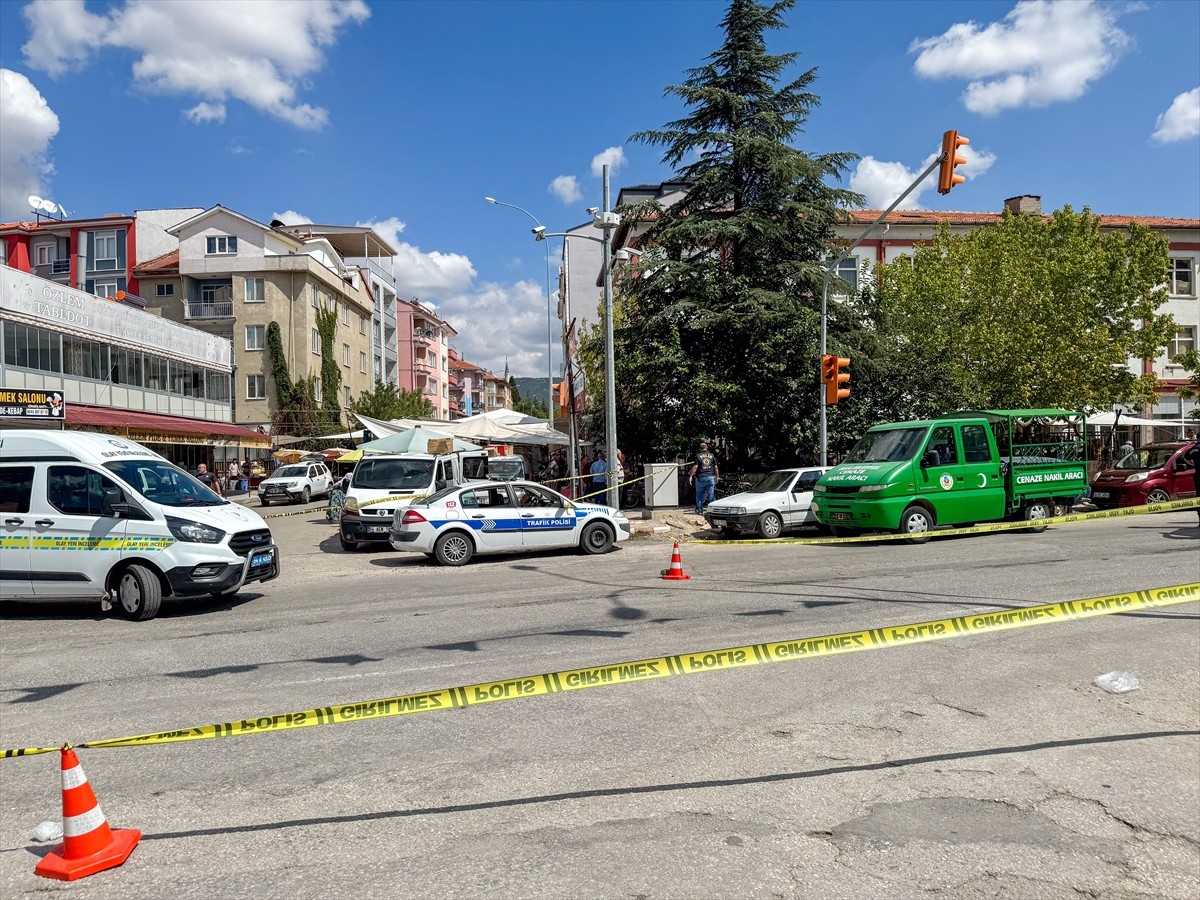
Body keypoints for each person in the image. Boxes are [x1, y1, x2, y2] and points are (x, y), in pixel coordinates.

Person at [689, 441, 719, 516]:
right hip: (710, 477)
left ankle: (700, 510)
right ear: (707, 448)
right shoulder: (712, 456)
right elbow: (715, 467)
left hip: (700, 478)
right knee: (711, 495)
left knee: (699, 494)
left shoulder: (698, 456)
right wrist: (717, 476)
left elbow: (695, 467)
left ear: (700, 448)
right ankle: (714, 511)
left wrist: (691, 476)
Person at [1182, 438, 1200, 524]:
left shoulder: (1193, 449)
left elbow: (1185, 458)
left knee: (1199, 497)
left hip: (1198, 475)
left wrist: (1193, 464)